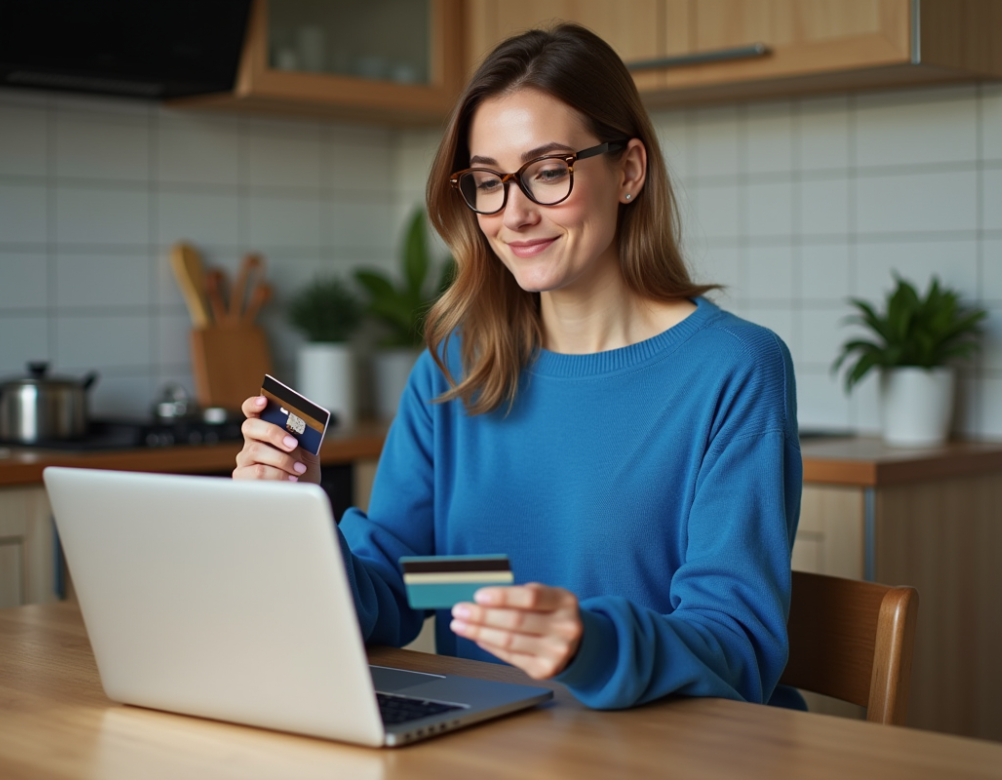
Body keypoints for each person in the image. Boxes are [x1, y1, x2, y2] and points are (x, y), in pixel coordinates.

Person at [233, 23, 803, 711]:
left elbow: (738, 648)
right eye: (488, 182)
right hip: (489, 746)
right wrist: (292, 518)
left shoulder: (733, 369)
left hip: (665, 748)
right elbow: (399, 591)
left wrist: (590, 644)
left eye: (549, 172)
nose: (514, 214)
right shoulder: (455, 371)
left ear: (628, 172)